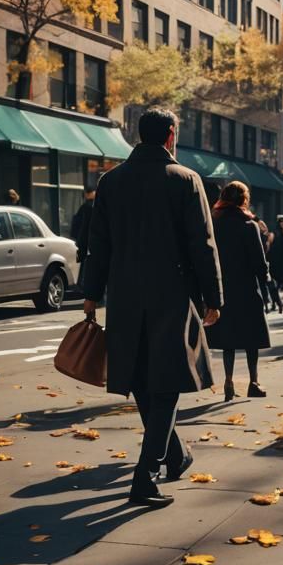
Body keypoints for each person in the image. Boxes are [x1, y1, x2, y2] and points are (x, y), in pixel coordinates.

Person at [83, 107, 221, 509]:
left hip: (124, 293)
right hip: (171, 293)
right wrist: (214, 298)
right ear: (171, 135)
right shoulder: (185, 180)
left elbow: (99, 243)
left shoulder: (111, 182)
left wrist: (91, 294)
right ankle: (145, 476)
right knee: (167, 383)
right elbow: (202, 245)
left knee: (143, 378)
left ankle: (174, 455)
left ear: (138, 136)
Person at [208, 181, 270, 400]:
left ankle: (228, 381)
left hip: (223, 289)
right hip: (246, 288)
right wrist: (266, 284)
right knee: (251, 338)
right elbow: (259, 263)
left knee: (228, 340)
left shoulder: (214, 224)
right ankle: (253, 381)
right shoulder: (249, 226)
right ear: (244, 200)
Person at [70, 188, 95, 289]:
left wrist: (78, 239)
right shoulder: (94, 206)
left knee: (83, 262)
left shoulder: (86, 207)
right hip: (92, 239)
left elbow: (80, 225)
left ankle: (82, 283)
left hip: (84, 239)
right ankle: (85, 283)